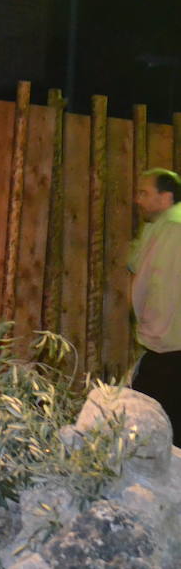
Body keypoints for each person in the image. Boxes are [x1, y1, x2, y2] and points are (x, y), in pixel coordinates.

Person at [128, 168, 181, 445]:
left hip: (169, 348)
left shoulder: (173, 228)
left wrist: (154, 329)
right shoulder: (159, 227)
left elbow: (162, 288)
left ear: (166, 197)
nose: (138, 200)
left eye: (144, 193)